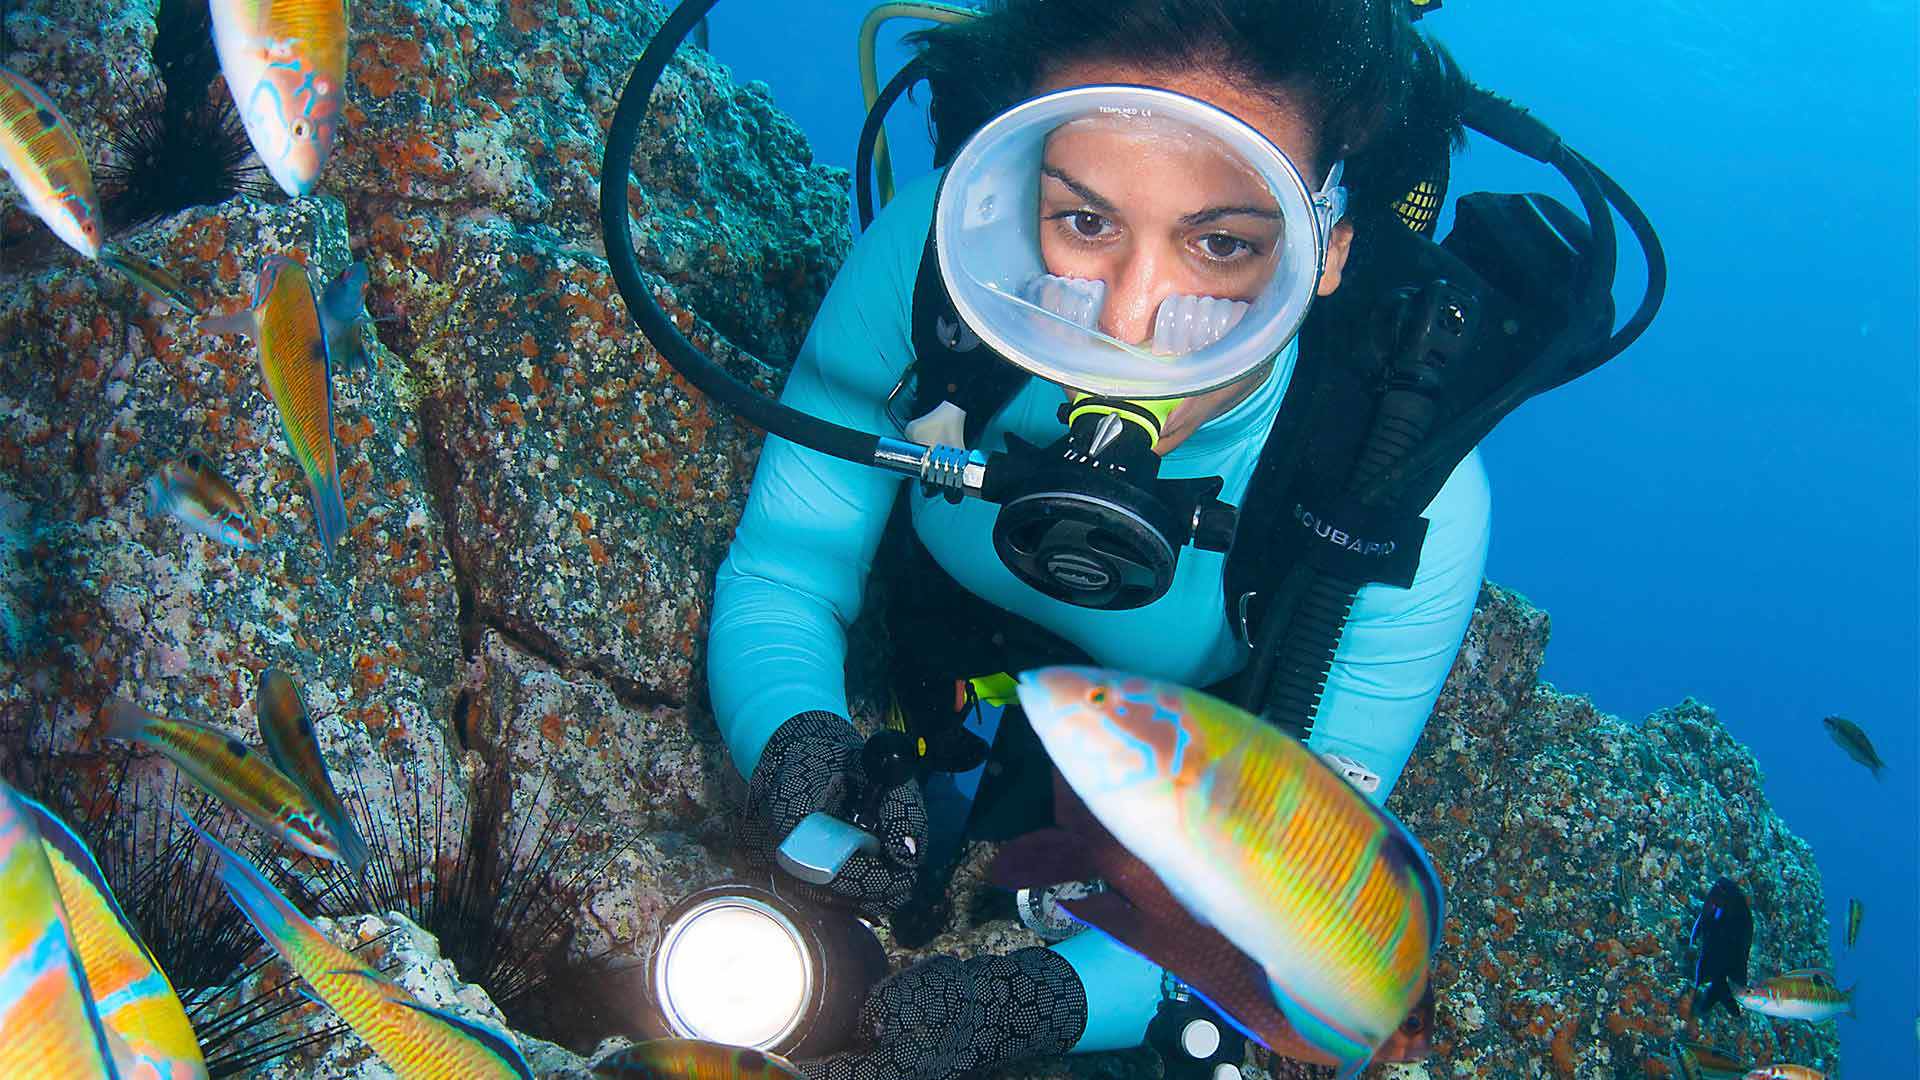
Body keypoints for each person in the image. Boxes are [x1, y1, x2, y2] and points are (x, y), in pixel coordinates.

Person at [707, 2, 1486, 1076]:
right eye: (1082, 221)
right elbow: (789, 569)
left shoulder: (1408, 502)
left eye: (1221, 244)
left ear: (1328, 251)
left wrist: (1048, 999)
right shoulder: (931, 264)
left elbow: (1308, 898)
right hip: (926, 670)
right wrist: (794, 737)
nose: (1126, 324)